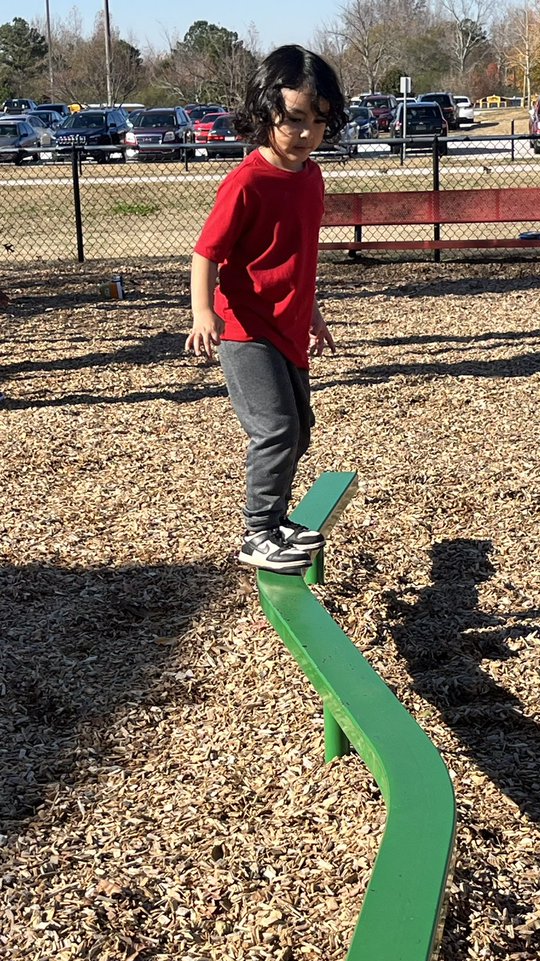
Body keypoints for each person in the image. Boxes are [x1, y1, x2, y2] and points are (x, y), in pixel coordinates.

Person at [185, 45, 347, 573]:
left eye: (318, 122)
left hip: (288, 324)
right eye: (294, 120)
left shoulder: (311, 178)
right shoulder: (247, 182)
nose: (306, 134)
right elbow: (205, 252)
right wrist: (204, 314)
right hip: (244, 327)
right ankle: (257, 533)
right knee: (275, 429)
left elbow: (298, 254)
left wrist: (313, 310)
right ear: (264, 114)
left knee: (300, 429)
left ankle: (274, 522)